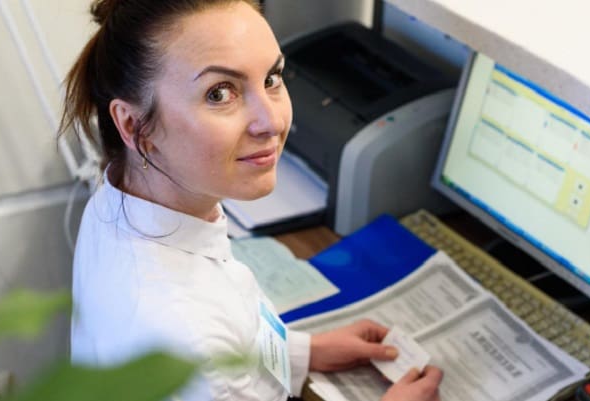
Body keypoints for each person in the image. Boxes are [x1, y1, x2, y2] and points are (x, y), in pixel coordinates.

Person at [59, 1, 443, 400]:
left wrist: (304, 353)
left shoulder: (119, 198)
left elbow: (229, 326)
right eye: (220, 93)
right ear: (133, 125)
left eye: (273, 78)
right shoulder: (188, 343)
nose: (273, 122)